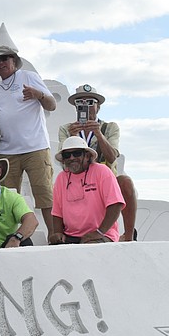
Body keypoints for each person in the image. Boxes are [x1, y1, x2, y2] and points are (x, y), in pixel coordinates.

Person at [0, 45, 57, 235]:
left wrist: (38, 94)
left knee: (44, 193)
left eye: (5, 59)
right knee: (7, 198)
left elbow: (52, 105)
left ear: (14, 61)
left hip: (36, 147)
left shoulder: (28, 76)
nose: (1, 63)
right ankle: (10, 236)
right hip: (8, 151)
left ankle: (54, 235)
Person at [58, 84, 138, 241]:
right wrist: (72, 139)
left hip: (105, 180)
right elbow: (64, 162)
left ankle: (128, 236)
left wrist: (98, 134)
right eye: (80, 102)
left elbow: (112, 157)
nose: (85, 106)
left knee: (125, 182)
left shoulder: (109, 127)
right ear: (75, 107)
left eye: (90, 102)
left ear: (98, 107)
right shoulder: (67, 129)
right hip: (77, 179)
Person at [49, 136, 125, 244]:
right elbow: (57, 212)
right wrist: (57, 233)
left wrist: (99, 232)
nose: (71, 158)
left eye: (76, 153)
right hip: (70, 236)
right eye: (67, 155)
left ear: (87, 156)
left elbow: (116, 204)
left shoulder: (102, 171)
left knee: (88, 249)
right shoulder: (61, 178)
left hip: (101, 234)